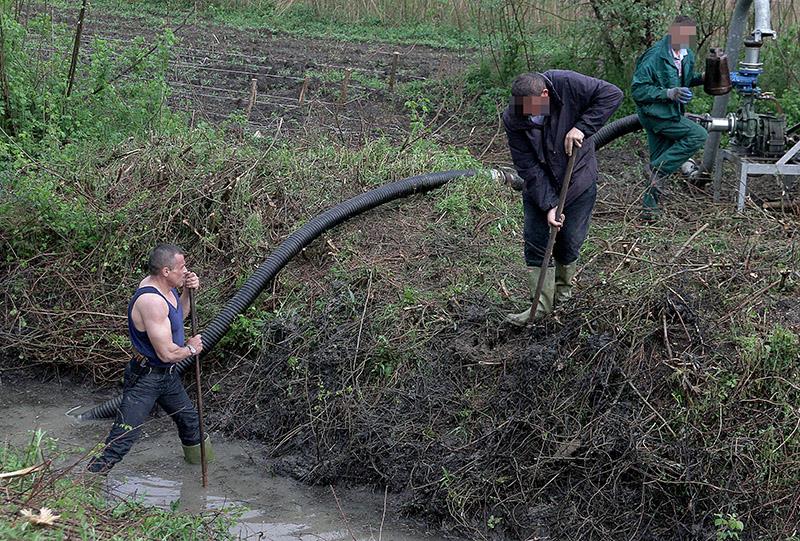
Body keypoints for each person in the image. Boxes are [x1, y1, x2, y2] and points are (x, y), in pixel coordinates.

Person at [503, 71, 622, 325]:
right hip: (539, 183)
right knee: (536, 241)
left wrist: (581, 127)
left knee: (569, 241)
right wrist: (549, 204)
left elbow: (612, 94)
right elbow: (526, 165)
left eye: (530, 108)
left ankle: (563, 300)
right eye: (521, 109)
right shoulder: (514, 115)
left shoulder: (567, 84)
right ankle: (540, 307)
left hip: (577, 180)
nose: (526, 115)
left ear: (544, 94)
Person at [87, 244, 211, 473]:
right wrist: (191, 349)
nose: (186, 271)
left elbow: (178, 316)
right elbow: (167, 353)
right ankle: (88, 480)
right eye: (182, 267)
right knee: (124, 436)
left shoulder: (167, 288)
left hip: (167, 376)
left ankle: (201, 473)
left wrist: (186, 292)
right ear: (166, 271)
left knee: (191, 422)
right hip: (146, 378)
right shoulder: (151, 301)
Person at [632, 14, 708, 220]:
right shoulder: (655, 55)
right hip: (655, 114)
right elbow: (638, 90)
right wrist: (668, 93)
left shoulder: (686, 54)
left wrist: (702, 78)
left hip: (671, 112)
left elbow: (685, 79)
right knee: (698, 135)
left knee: (660, 157)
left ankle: (649, 212)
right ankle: (655, 170)